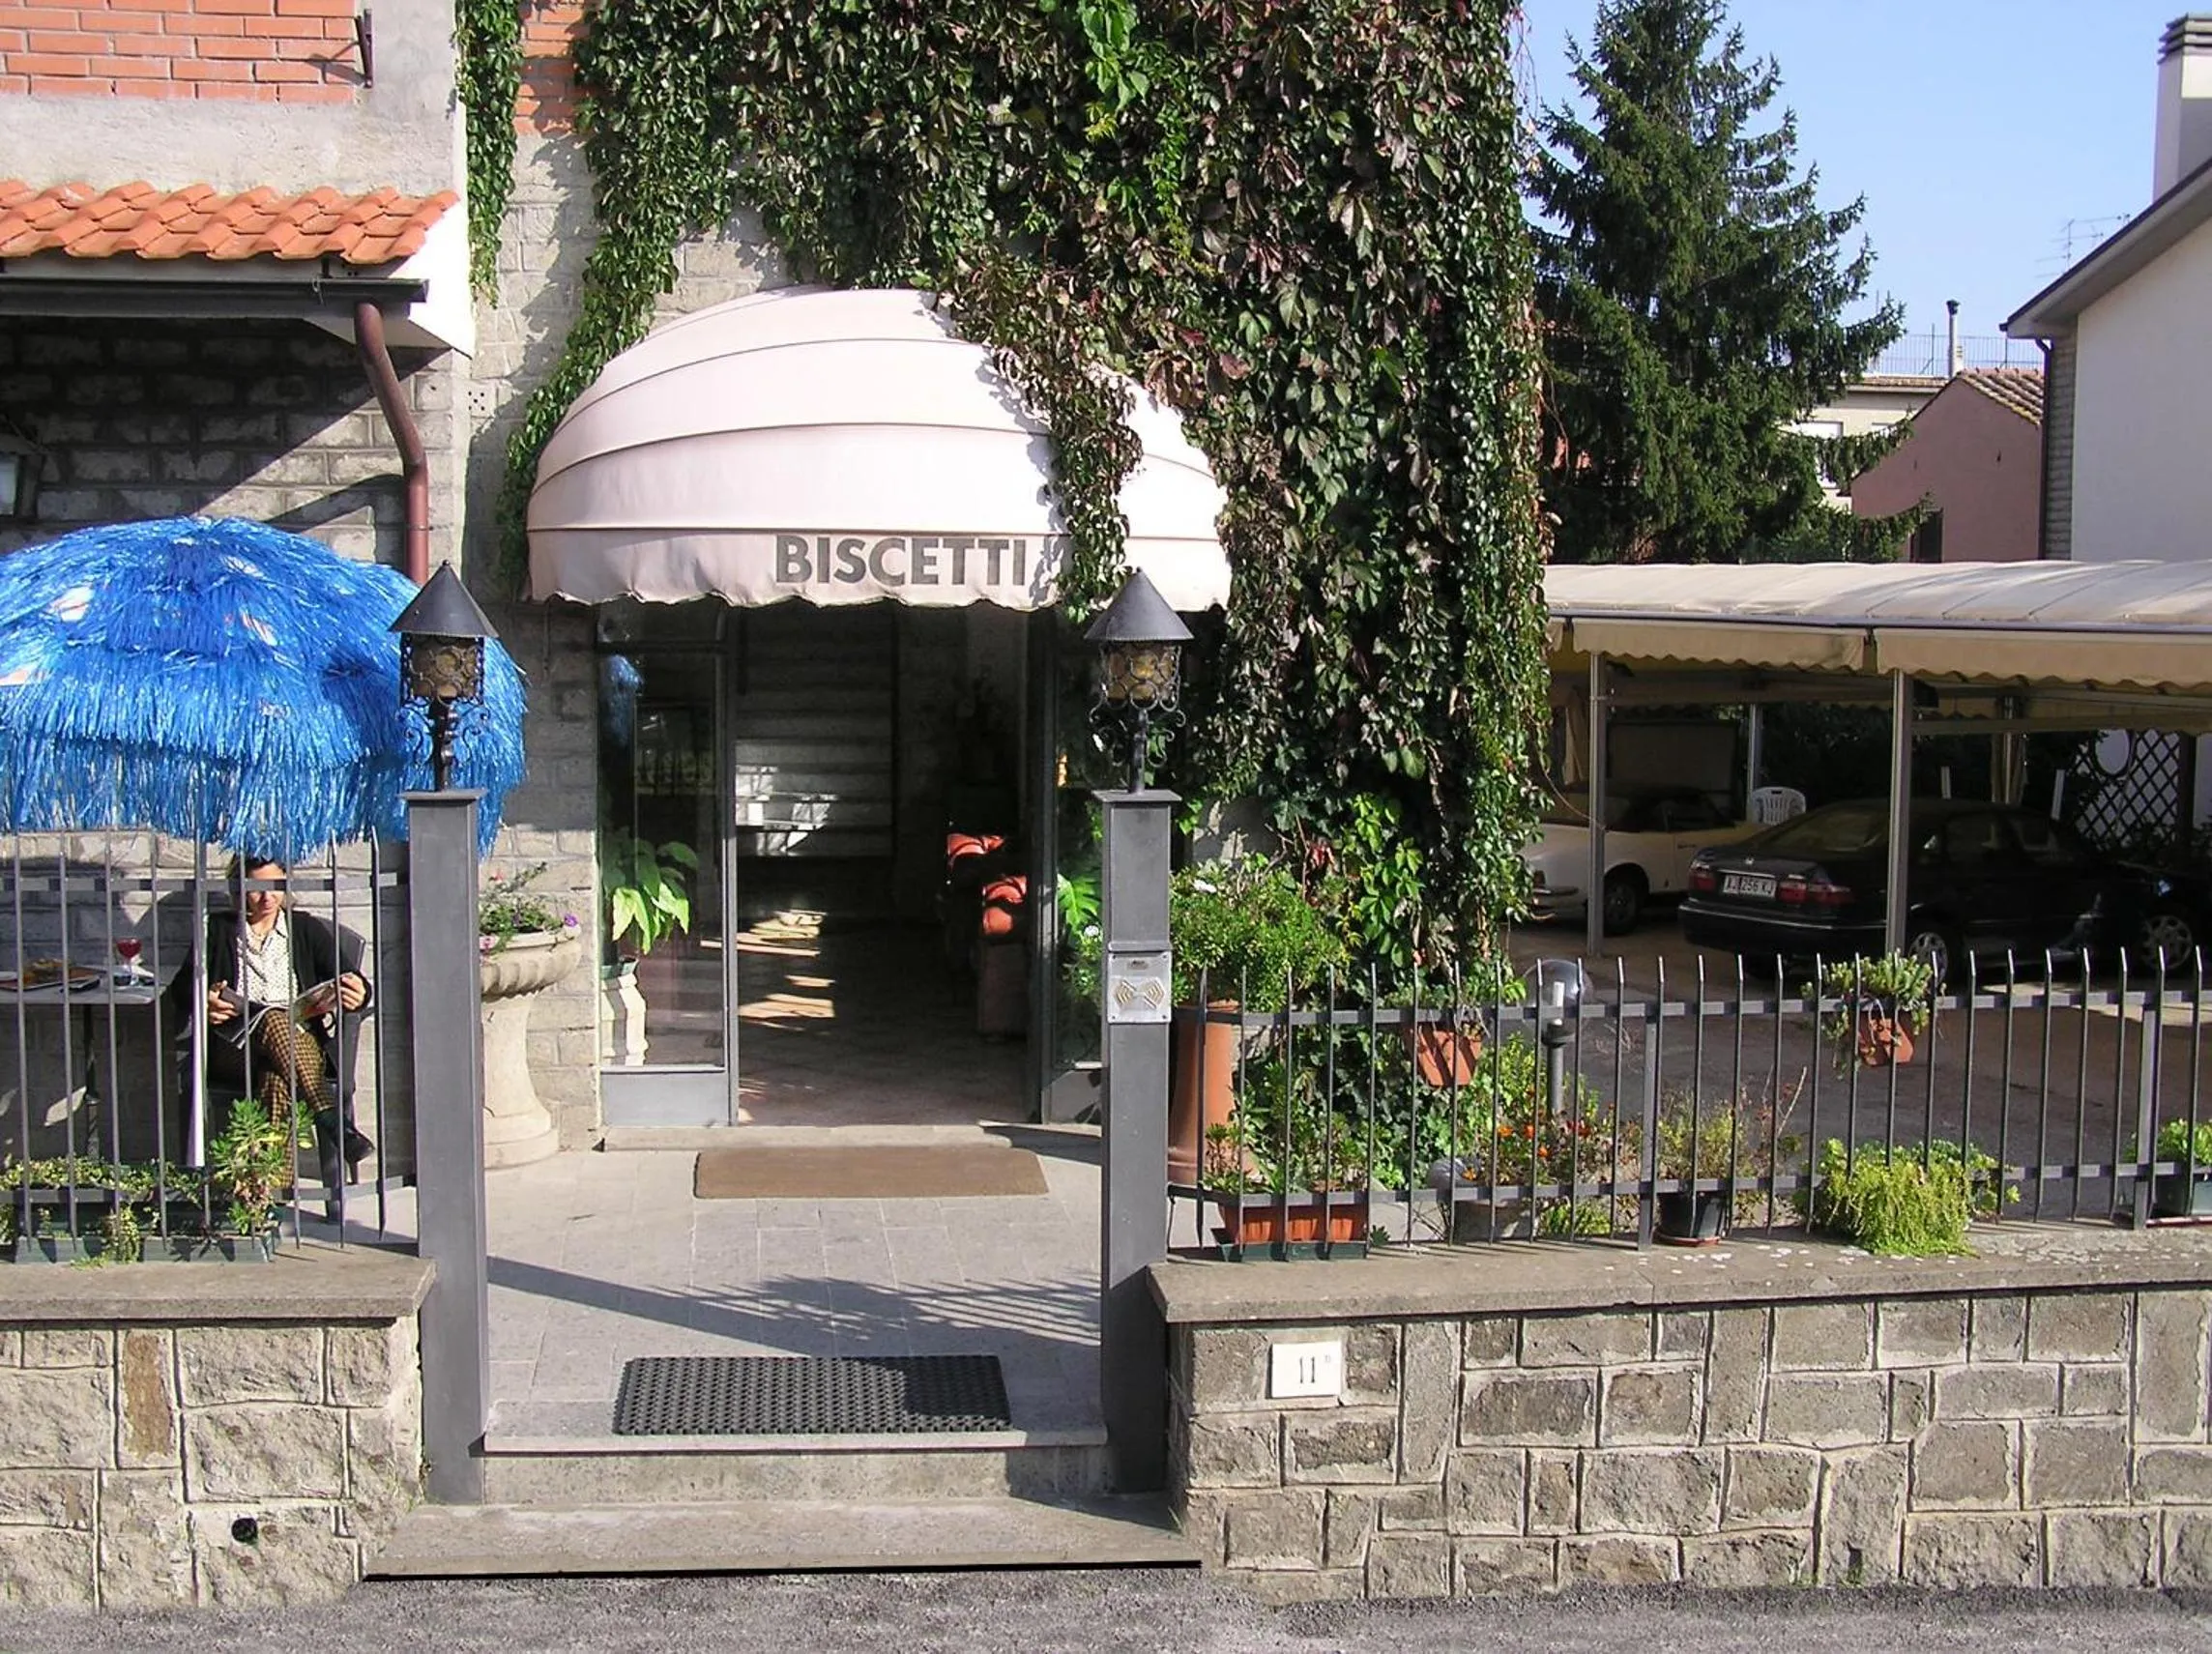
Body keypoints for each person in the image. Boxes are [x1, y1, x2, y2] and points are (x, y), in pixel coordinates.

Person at [164, 853, 376, 1213]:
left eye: (275, 887)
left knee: (278, 1079)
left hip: (295, 1051)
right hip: (236, 1048)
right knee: (272, 1018)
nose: (267, 898)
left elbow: (355, 984)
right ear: (240, 888)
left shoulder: (305, 930)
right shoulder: (217, 930)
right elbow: (180, 992)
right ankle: (331, 1119)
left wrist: (358, 991)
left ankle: (263, 1199)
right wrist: (206, 999)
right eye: (257, 889)